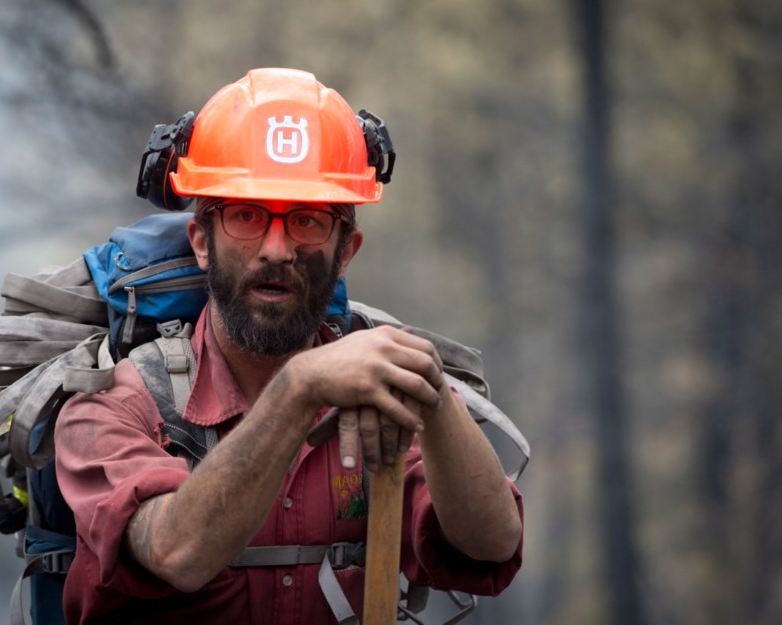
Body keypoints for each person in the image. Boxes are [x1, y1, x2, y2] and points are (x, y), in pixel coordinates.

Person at [54, 67, 524, 624]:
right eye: (248, 216)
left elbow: (490, 546)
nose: (277, 249)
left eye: (307, 220)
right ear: (202, 241)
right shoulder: (114, 406)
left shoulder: (383, 402)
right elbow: (176, 554)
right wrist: (300, 389)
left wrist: (435, 394)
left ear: (346, 250)